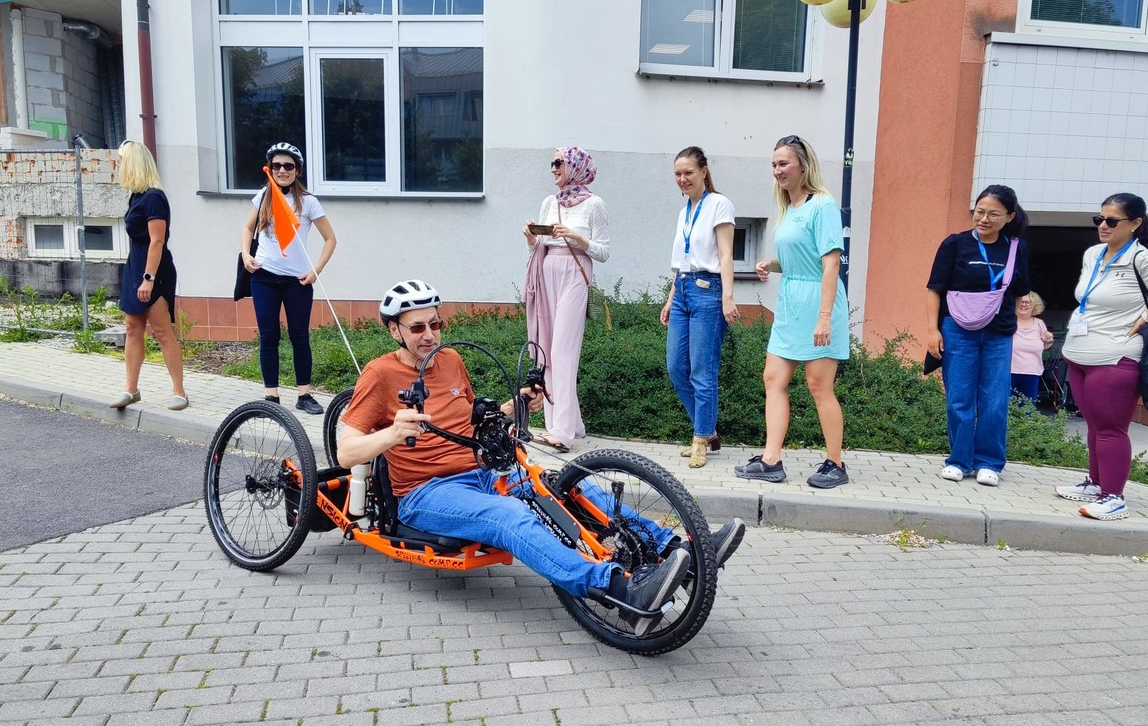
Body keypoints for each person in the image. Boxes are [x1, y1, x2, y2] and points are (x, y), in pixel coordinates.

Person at [338, 280, 745, 635]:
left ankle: (681, 550)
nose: (430, 335)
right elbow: (346, 451)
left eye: (435, 324)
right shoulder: (379, 374)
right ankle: (620, 588)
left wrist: (516, 405)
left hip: (483, 471)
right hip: (426, 492)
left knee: (572, 490)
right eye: (417, 328)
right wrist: (393, 433)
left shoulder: (450, 360)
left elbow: (471, 420)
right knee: (509, 517)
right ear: (394, 329)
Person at [1056, 193, 1148, 521]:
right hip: (1079, 355)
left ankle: (1114, 498)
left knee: (1111, 428)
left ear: (1135, 224)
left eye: (1112, 221)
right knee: (1095, 425)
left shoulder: (1144, 260)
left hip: (1115, 357)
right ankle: (1096, 483)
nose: (1103, 226)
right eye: (1099, 219)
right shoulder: (1093, 254)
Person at [734, 135, 850, 489]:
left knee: (818, 385)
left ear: (803, 165)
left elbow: (831, 265)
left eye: (783, 163)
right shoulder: (789, 206)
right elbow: (800, 260)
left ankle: (836, 464)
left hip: (818, 303)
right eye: (773, 164)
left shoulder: (823, 205)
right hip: (790, 304)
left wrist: (824, 317)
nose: (777, 170)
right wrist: (771, 264)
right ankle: (771, 461)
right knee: (773, 379)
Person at [925, 184, 1032, 487]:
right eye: (980, 212)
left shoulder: (1016, 248)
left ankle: (989, 462)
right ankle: (959, 460)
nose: (984, 219)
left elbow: (1021, 291)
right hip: (957, 329)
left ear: (1009, 216)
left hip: (999, 333)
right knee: (959, 399)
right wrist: (933, 330)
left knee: (995, 401)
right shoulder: (955, 243)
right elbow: (934, 289)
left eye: (993, 214)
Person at [522, 146, 610, 452]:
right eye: (552, 163)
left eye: (559, 162)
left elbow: (604, 251)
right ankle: (569, 424)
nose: (553, 168)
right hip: (548, 272)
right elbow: (539, 247)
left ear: (576, 166)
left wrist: (575, 236)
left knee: (563, 350)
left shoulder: (594, 204)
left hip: (575, 272)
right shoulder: (550, 202)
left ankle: (561, 431)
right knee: (547, 349)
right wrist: (532, 238)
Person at [240, 142, 337, 415]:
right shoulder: (264, 196)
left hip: (298, 281)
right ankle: (271, 397)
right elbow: (247, 228)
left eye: (288, 166)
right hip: (264, 277)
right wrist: (246, 254)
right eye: (276, 166)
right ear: (270, 169)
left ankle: (304, 395)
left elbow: (330, 239)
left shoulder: (309, 202)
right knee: (269, 336)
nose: (282, 170)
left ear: (298, 171)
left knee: (300, 337)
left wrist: (316, 270)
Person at [660, 146, 739, 469]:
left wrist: (728, 297)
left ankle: (700, 439)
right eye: (678, 174)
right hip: (682, 291)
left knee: (702, 371)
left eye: (688, 172)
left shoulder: (719, 204)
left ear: (703, 171)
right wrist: (670, 298)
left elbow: (726, 255)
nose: (682, 179)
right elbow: (682, 261)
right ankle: (708, 431)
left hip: (709, 291)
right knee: (676, 368)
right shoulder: (685, 212)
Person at [109, 140, 187, 411]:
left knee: (162, 331)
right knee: (132, 329)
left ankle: (179, 392)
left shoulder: (154, 197)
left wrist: (148, 279)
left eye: (122, 160)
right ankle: (131, 389)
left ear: (133, 163)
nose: (119, 166)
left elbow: (157, 240)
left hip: (154, 271)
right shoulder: (136, 196)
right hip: (135, 268)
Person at [1010, 291, 1053, 405]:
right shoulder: (1009, 321)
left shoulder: (1039, 323)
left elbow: (1045, 346)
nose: (1023, 304)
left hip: (1032, 372)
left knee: (1028, 407)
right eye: (1020, 301)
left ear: (1034, 305)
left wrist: (1048, 340)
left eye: (1027, 302)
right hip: (1009, 372)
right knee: (1008, 406)